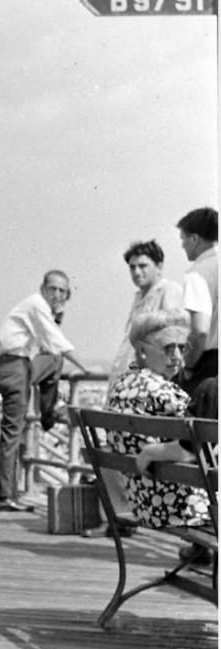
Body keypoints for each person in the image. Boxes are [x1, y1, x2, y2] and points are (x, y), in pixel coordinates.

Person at [0, 271, 89, 512]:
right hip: (13, 368)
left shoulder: (38, 307)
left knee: (53, 360)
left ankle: (48, 412)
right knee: (12, 434)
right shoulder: (37, 305)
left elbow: (48, 345)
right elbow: (56, 341)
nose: (56, 294)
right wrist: (85, 368)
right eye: (53, 289)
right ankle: (3, 497)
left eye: (62, 291)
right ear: (43, 288)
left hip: (13, 366)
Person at [106, 309, 210, 528]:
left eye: (182, 348)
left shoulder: (121, 386)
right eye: (168, 348)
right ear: (143, 351)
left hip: (143, 504)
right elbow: (195, 447)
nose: (178, 357)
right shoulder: (165, 393)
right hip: (184, 507)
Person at [106, 240, 184, 397]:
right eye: (132, 267)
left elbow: (172, 335)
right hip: (129, 379)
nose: (136, 272)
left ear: (159, 266)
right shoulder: (139, 297)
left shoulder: (168, 289)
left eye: (143, 266)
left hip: (149, 383)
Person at [176, 207, 217, 397]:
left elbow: (200, 330)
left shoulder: (198, 273)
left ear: (195, 239)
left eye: (183, 239)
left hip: (208, 365)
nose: (182, 245)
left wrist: (189, 366)